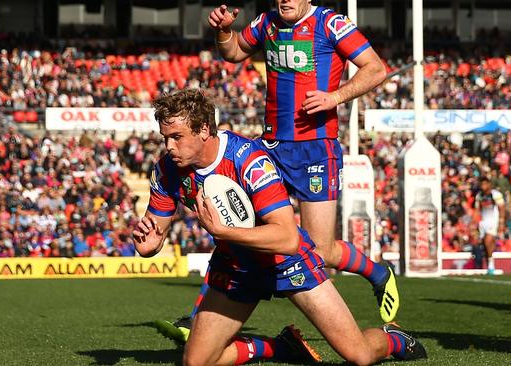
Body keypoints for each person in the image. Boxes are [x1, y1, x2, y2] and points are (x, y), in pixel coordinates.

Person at [156, 0, 396, 343]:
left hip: (315, 149)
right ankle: (197, 318)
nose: (283, 0)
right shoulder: (268, 21)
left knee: (321, 251)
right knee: (236, 226)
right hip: (269, 148)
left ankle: (377, 273)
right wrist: (223, 31)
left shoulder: (331, 24)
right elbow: (235, 52)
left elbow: (376, 69)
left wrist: (335, 97)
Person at [134, 89, 426, 365]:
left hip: (287, 262)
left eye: (176, 137)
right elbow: (155, 232)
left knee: (358, 356)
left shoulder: (250, 161)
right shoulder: (166, 170)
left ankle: (393, 339)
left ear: (204, 130)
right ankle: (279, 347)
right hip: (237, 266)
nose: (168, 146)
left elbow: (287, 238)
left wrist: (224, 233)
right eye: (165, 138)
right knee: (196, 361)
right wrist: (149, 245)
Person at [474, 176, 505, 275]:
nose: (483, 186)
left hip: (493, 221)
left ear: (489, 184)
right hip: (483, 222)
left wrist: (501, 223)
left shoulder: (495, 195)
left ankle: (491, 265)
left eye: (485, 184)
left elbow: (502, 208)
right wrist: (475, 223)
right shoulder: (479, 196)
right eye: (481, 184)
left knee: (488, 241)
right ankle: (489, 266)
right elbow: (477, 210)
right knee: (485, 244)